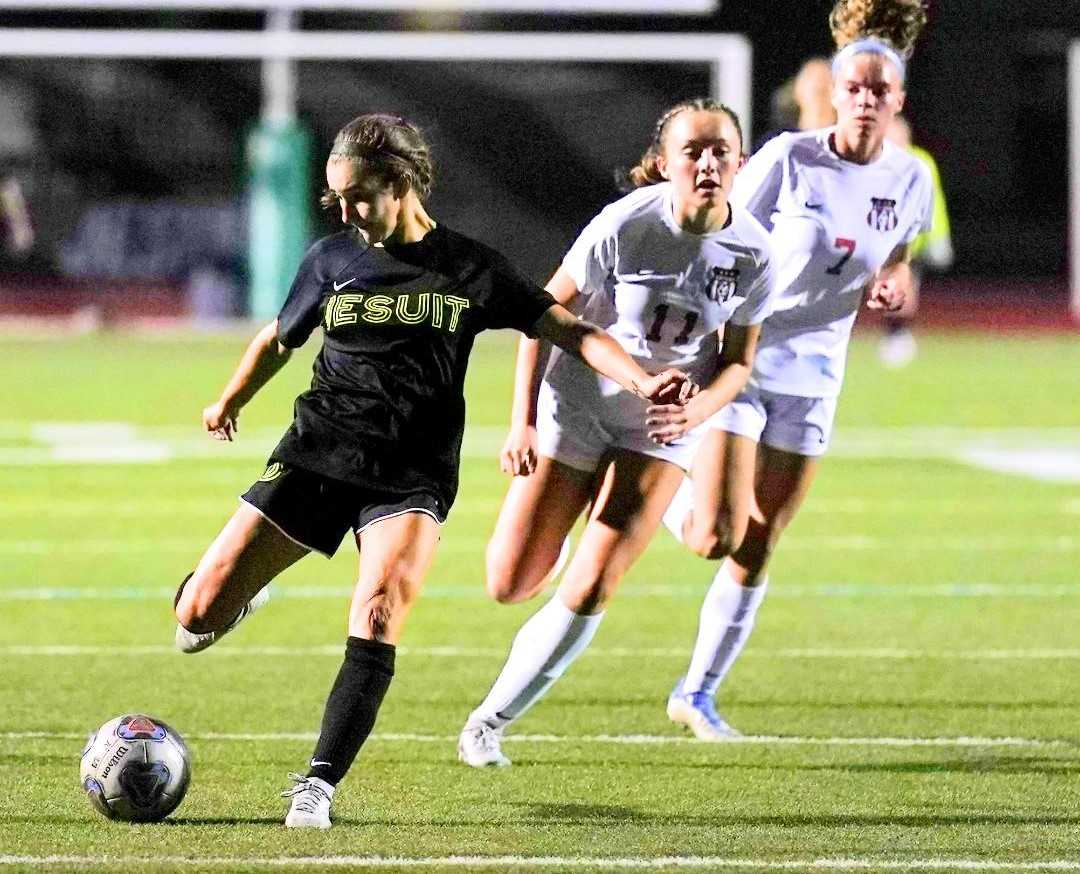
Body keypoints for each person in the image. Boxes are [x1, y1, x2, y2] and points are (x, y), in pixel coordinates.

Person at [171, 113, 693, 829]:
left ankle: (318, 785)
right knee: (198, 612)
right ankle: (232, 597)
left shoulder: (470, 267)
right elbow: (278, 338)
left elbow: (569, 330)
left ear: (403, 182)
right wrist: (229, 397)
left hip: (411, 478)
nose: (348, 213)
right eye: (337, 201)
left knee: (380, 611)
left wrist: (640, 380)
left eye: (360, 196)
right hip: (318, 454)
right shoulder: (332, 260)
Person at [455, 98, 776, 768]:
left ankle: (488, 722)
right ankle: (642, 507)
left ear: (741, 162)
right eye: (693, 150)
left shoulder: (752, 252)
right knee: (510, 582)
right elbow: (541, 314)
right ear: (664, 164)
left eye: (721, 150)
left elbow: (739, 360)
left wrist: (698, 411)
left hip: (659, 427)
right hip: (577, 404)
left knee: (595, 579)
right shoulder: (626, 225)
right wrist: (520, 421)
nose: (708, 163)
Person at [656, 0, 934, 740]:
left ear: (899, 100)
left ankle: (697, 691)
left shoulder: (912, 179)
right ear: (835, 93)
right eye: (856, 88)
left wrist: (891, 285)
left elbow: (897, 258)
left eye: (881, 90)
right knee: (711, 535)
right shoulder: (786, 159)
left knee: (760, 539)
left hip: (818, 371)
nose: (867, 100)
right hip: (746, 353)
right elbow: (720, 240)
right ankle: (671, 480)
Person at [879, 113, 954, 366]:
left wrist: (938, 236)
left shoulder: (920, 162)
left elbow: (935, 202)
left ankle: (899, 336)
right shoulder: (875, 162)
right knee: (885, 288)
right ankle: (893, 335)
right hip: (881, 241)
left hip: (914, 241)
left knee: (905, 289)